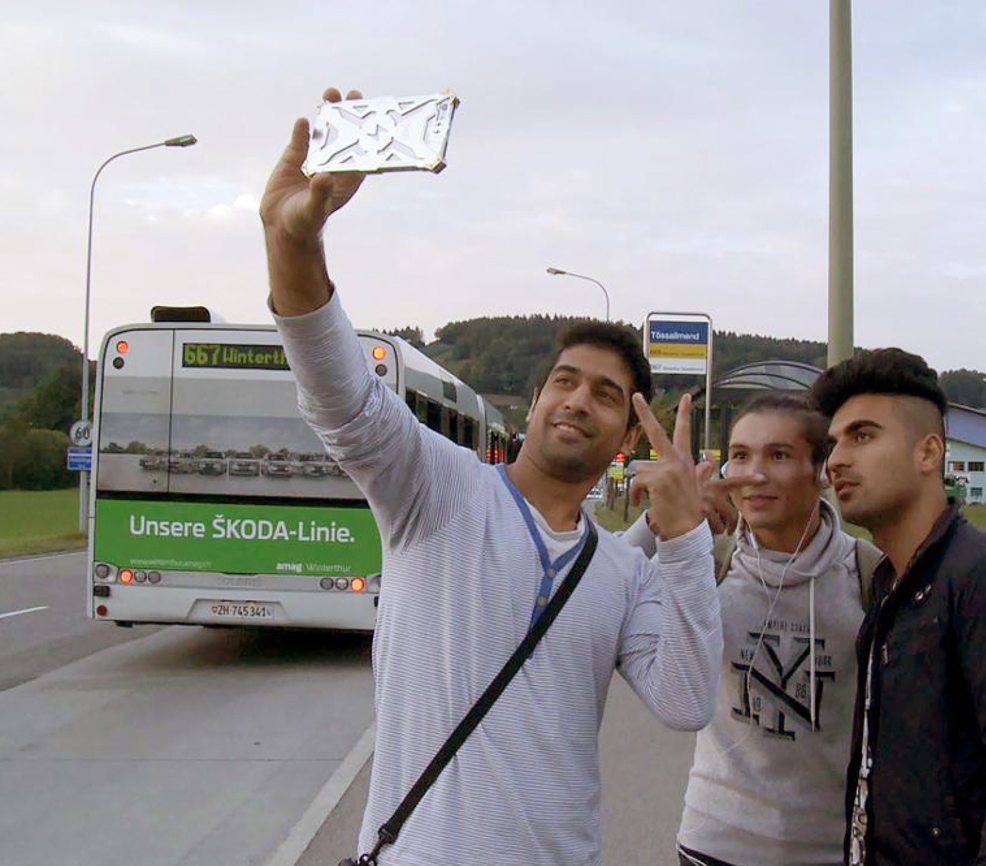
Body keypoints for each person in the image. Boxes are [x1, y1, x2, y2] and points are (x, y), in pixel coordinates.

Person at [260, 87, 727, 865]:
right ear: (537, 398)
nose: (580, 400)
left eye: (607, 395)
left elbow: (685, 702)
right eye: (567, 381)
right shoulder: (437, 492)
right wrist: (292, 245)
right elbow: (341, 395)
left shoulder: (621, 570)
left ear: (623, 436)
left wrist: (683, 538)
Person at [808, 349, 986, 865]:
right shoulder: (890, 586)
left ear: (929, 453)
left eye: (862, 436)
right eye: (834, 442)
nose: (837, 460)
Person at [623, 392, 882, 866]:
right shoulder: (709, 560)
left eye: (779, 455)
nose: (755, 474)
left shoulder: (868, 576)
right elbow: (605, 587)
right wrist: (663, 518)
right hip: (713, 842)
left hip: (827, 848)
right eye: (740, 456)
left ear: (820, 472)